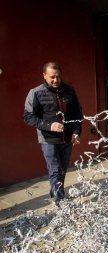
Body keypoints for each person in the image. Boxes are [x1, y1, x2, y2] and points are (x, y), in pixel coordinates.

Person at [24, 62, 83, 207]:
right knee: (55, 169)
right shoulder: (36, 93)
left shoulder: (69, 90)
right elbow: (28, 117)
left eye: (58, 77)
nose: (56, 80)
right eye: (52, 77)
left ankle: (55, 191)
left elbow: (77, 113)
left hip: (67, 138)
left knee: (62, 169)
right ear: (44, 75)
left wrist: (76, 132)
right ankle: (60, 201)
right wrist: (50, 125)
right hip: (48, 139)